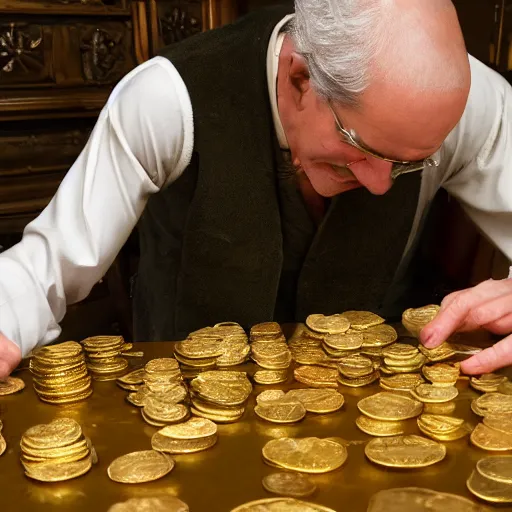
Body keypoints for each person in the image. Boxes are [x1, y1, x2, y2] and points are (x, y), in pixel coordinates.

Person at [0, 0, 512, 379]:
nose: (381, 186)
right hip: (185, 414)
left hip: (369, 426)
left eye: (411, 164)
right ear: (299, 79)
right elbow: (47, 265)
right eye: (361, 147)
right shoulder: (165, 98)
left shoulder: (465, 103)